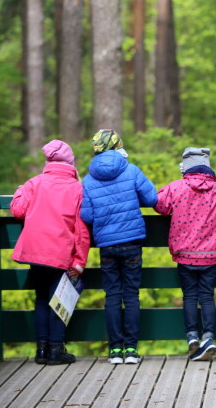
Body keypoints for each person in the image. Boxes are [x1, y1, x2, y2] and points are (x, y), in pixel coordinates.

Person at [154, 147, 216, 361]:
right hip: (212, 253)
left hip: (185, 253)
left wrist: (170, 186)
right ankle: (208, 337)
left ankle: (192, 337)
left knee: (190, 295)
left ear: (185, 169)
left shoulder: (176, 188)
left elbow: (159, 204)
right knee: (207, 296)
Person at [80, 129, 158, 364]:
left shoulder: (88, 179)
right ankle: (132, 350)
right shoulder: (131, 170)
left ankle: (115, 350)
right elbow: (152, 199)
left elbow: (86, 215)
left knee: (112, 295)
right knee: (132, 295)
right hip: (132, 242)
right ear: (117, 146)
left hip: (106, 245)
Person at [10, 140, 90, 365]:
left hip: (35, 252)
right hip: (61, 253)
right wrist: (79, 261)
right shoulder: (77, 189)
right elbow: (82, 230)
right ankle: (57, 349)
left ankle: (41, 350)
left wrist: (19, 191)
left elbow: (17, 210)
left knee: (41, 298)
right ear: (70, 163)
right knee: (60, 300)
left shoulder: (34, 183)